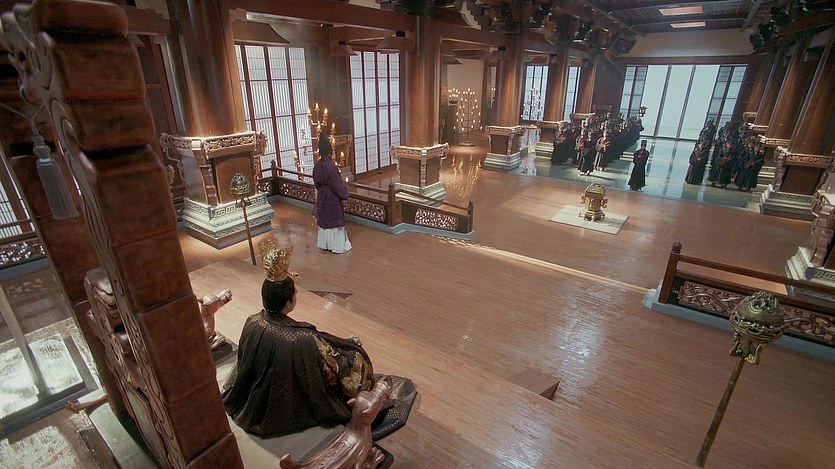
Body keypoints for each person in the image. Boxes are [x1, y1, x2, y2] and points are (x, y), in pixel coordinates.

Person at [313, 133, 352, 253]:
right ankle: (337, 246)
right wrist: (345, 194)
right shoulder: (331, 166)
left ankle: (326, 245)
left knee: (325, 222)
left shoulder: (317, 165)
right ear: (330, 150)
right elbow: (337, 184)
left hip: (322, 196)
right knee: (334, 223)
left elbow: (316, 183)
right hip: (332, 197)